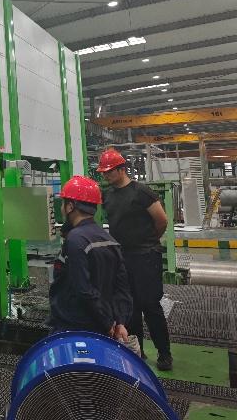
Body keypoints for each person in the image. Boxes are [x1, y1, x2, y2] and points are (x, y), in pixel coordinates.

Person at [98, 149, 173, 370]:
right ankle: (137, 352)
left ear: (122, 169)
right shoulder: (108, 196)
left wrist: (147, 242)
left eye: (109, 171)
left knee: (150, 304)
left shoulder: (141, 192)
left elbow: (162, 220)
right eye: (104, 172)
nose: (106, 175)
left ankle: (164, 353)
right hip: (122, 258)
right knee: (129, 306)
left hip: (146, 257)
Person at [47, 176, 132, 344]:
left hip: (74, 326)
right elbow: (121, 287)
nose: (62, 209)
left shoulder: (75, 239)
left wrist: (107, 323)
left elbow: (83, 290)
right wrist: (119, 322)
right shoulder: (110, 240)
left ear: (70, 206)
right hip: (102, 326)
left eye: (63, 204)